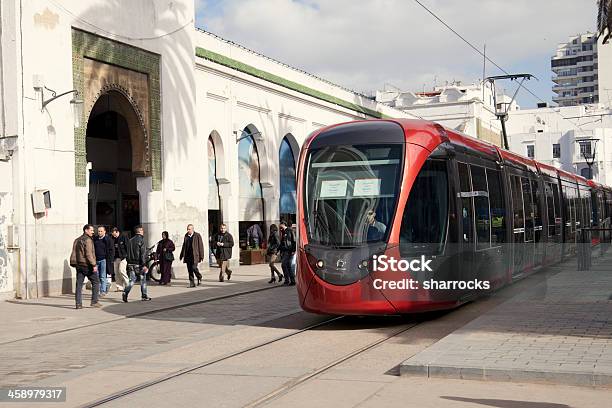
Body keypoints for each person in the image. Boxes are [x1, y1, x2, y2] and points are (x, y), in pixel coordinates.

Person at [70, 224, 102, 309]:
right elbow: (89, 254)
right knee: (96, 282)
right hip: (87, 265)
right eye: (91, 230)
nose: (93, 232)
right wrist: (94, 264)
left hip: (79, 265)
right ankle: (94, 301)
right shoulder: (88, 240)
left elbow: (73, 253)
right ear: (86, 230)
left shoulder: (77, 240)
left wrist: (74, 262)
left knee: (79, 285)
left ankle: (78, 304)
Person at [123, 225, 151, 302]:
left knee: (132, 280)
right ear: (140, 231)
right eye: (142, 230)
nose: (143, 232)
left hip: (130, 263)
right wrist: (144, 264)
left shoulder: (130, 240)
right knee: (143, 279)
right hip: (139, 263)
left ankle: (125, 292)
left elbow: (127, 252)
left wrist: (128, 262)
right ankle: (144, 295)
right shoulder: (141, 240)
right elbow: (142, 254)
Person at [94, 226, 114, 296]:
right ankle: (98, 290)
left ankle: (103, 291)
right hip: (96, 260)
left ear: (105, 231)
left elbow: (111, 250)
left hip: (104, 260)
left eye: (101, 231)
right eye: (99, 231)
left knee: (102, 276)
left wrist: (110, 260)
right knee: (96, 276)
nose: (99, 232)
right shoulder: (95, 239)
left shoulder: (108, 239)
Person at [111, 227, 129, 291]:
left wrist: (127, 256)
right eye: (112, 234)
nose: (113, 235)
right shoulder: (112, 238)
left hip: (122, 258)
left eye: (114, 234)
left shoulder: (123, 237)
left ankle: (128, 284)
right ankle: (119, 287)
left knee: (122, 271)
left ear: (117, 232)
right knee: (116, 272)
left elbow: (128, 246)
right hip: (115, 258)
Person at [279, 221, 296, 286]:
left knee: (284, 264)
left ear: (283, 224)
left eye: (280, 225)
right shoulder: (283, 232)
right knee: (288, 266)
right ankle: (292, 281)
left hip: (289, 250)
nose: (280, 227)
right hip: (285, 250)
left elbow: (294, 241)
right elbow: (282, 242)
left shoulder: (289, 231)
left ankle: (287, 280)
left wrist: (293, 250)